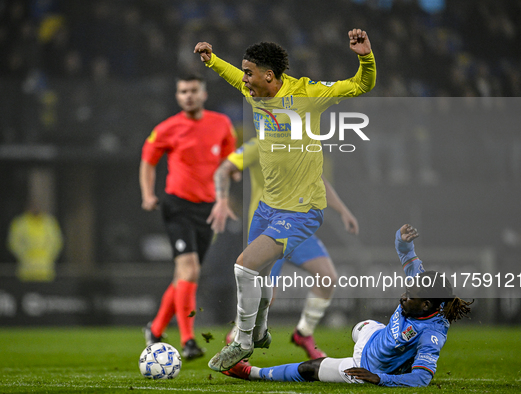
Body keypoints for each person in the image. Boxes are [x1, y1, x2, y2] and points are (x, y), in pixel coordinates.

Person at [194, 28, 376, 371]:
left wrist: (365, 56)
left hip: (301, 210)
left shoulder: (307, 93)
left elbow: (360, 85)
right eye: (245, 72)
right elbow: (234, 78)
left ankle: (244, 341)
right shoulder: (255, 94)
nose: (245, 80)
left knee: (243, 266)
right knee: (260, 278)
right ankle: (260, 331)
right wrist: (213, 61)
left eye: (250, 73)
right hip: (266, 207)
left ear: (269, 75)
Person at [220, 224, 473, 387]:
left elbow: (422, 379)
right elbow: (407, 255)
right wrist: (403, 240)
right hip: (374, 335)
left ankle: (250, 372)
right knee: (361, 326)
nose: (403, 296)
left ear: (427, 304)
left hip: (367, 367)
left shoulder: (431, 334)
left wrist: (379, 378)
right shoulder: (421, 286)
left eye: (410, 296)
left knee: (311, 369)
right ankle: (364, 340)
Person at [208, 136, 359, 359]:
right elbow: (224, 169)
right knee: (267, 297)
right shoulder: (258, 144)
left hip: (297, 225)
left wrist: (342, 210)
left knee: (327, 277)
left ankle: (303, 333)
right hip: (269, 229)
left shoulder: (302, 144)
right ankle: (237, 337)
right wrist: (222, 199)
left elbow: (317, 179)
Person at [139, 75, 236, 360]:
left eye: (193, 90)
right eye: (183, 91)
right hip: (177, 205)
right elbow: (148, 160)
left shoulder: (221, 124)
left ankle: (155, 329)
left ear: (203, 94)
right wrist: (147, 194)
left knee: (184, 274)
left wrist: (229, 183)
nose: (188, 96)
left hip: (206, 211)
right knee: (190, 271)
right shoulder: (168, 128)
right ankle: (188, 340)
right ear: (177, 96)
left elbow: (229, 160)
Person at [7, 201, 63, 282]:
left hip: (46, 269)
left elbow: (56, 242)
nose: (35, 209)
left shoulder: (49, 222)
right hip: (26, 268)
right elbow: (14, 242)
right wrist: (25, 255)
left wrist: (48, 256)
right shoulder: (20, 223)